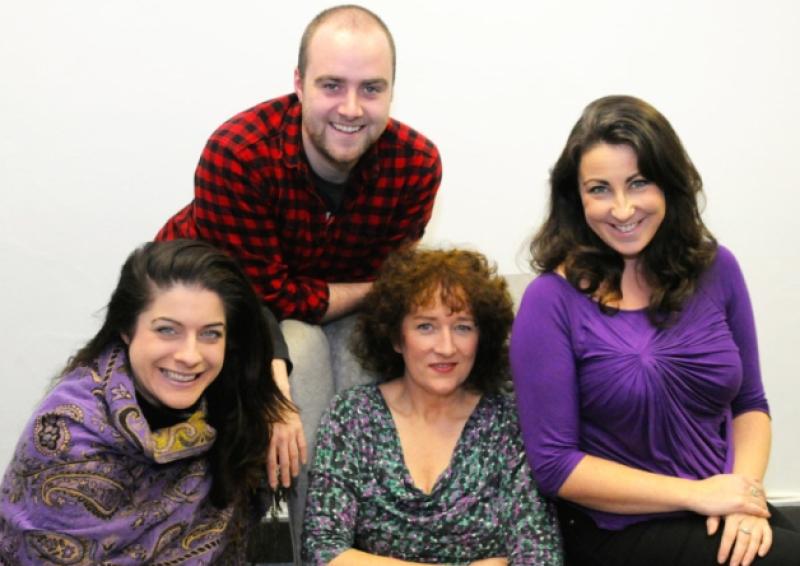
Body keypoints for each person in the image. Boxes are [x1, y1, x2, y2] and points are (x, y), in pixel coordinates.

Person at [154, 5, 442, 556]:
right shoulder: (238, 152)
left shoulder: (417, 164)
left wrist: (362, 296)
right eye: (332, 85)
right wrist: (274, 379)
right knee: (301, 355)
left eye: (372, 89)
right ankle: (307, 549)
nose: (352, 109)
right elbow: (253, 295)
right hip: (218, 306)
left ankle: (369, 545)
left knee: (364, 364)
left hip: (318, 304)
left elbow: (390, 284)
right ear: (298, 84)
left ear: (392, 92)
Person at [510, 95, 800, 566]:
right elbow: (555, 465)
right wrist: (696, 495)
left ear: (668, 183)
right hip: (619, 529)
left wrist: (743, 499)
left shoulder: (717, 268)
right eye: (599, 189)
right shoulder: (549, 302)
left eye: (638, 183)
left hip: (719, 503)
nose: (622, 209)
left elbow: (750, 404)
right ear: (575, 197)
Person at [0, 240, 291, 564]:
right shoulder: (67, 438)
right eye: (167, 330)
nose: (190, 356)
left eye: (210, 333)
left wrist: (278, 395)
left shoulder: (226, 399)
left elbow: (260, 315)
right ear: (126, 329)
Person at [302, 248, 564, 565]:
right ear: (396, 338)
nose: (446, 347)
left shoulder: (508, 421)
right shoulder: (352, 415)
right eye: (426, 326)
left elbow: (539, 555)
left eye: (463, 327)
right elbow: (322, 551)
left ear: (483, 338)